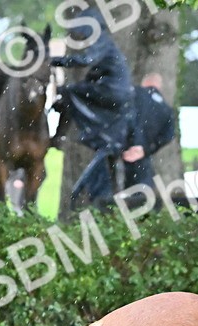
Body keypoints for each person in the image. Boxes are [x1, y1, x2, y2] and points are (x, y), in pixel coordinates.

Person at [50, 8, 136, 202]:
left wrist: (56, 61)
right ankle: (93, 131)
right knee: (76, 91)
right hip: (116, 92)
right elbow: (93, 72)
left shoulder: (101, 41)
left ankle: (62, 133)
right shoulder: (105, 44)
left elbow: (86, 61)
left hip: (112, 91)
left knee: (68, 91)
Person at [120, 73, 177, 191]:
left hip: (122, 151)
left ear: (144, 83)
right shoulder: (166, 108)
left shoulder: (133, 93)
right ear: (159, 86)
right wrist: (145, 149)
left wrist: (127, 144)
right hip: (142, 157)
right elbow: (168, 135)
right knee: (142, 191)